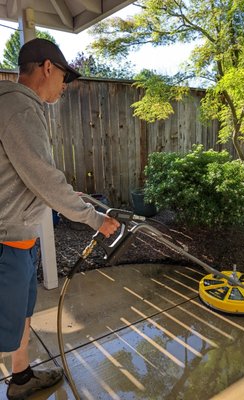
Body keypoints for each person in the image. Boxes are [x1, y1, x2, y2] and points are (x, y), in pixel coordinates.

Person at [0, 38, 120, 400]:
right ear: (47, 67)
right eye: (64, 77)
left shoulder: (16, 107)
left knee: (21, 317)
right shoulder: (19, 108)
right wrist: (94, 218)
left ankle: (20, 379)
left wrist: (76, 197)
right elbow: (43, 178)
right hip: (5, 242)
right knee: (3, 325)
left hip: (18, 239)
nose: (64, 86)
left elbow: (31, 177)